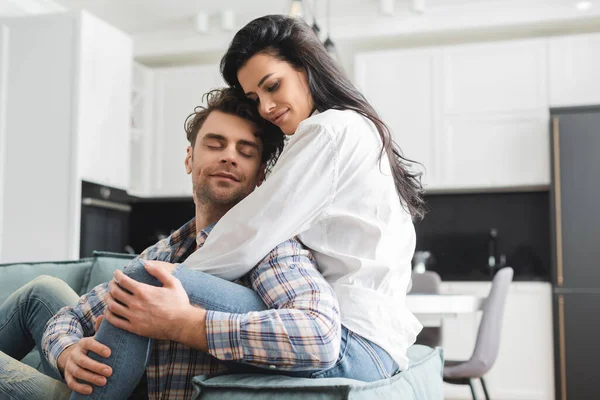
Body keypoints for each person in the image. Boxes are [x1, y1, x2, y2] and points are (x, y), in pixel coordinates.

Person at [0, 88, 342, 399]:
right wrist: (66, 353)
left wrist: (186, 323)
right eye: (216, 144)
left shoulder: (271, 249)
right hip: (94, 384)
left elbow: (320, 335)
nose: (229, 156)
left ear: (260, 175)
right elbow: (72, 316)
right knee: (40, 292)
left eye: (246, 150)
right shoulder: (167, 251)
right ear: (189, 158)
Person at [181, 14, 426, 375]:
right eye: (254, 96)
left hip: (348, 336)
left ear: (305, 67)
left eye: (272, 86)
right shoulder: (356, 127)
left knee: (146, 292)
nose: (265, 107)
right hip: (374, 338)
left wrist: (169, 279)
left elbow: (250, 233)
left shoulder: (327, 131)